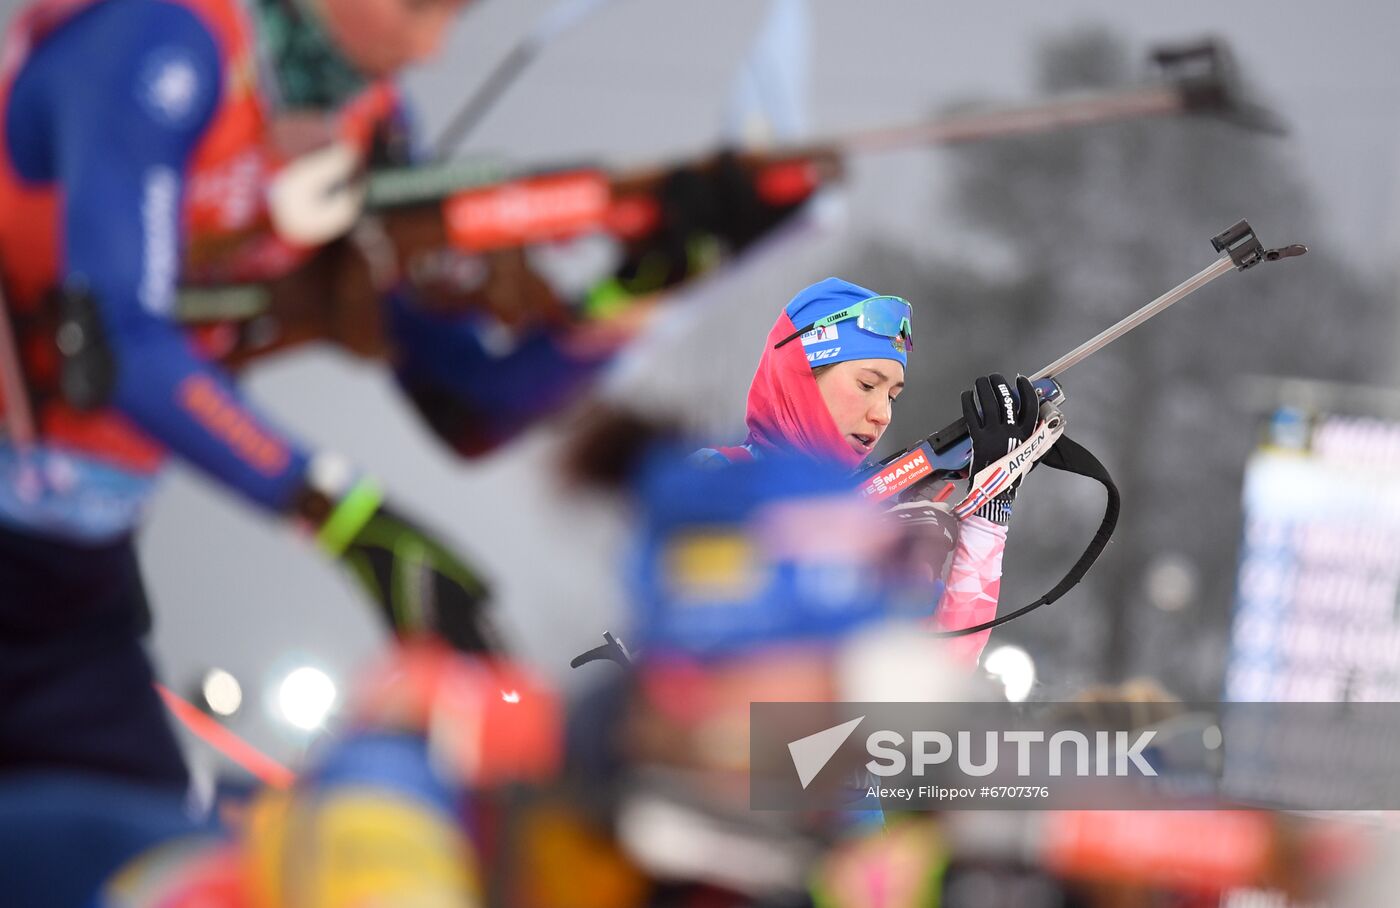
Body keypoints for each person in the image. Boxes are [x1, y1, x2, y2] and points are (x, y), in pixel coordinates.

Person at [0, 0, 552, 791]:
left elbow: (471, 402)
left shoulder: (368, 116)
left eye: (454, 18)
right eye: (417, 8)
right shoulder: (164, 41)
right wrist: (343, 514)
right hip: (38, 547)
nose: (429, 49)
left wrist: (646, 288)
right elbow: (119, 339)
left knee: (149, 857)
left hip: (71, 575)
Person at [693, 276, 1044, 664]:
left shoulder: (877, 518)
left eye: (892, 395)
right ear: (801, 374)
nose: (882, 415)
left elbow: (938, 675)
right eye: (866, 385)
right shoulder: (714, 478)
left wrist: (990, 509)